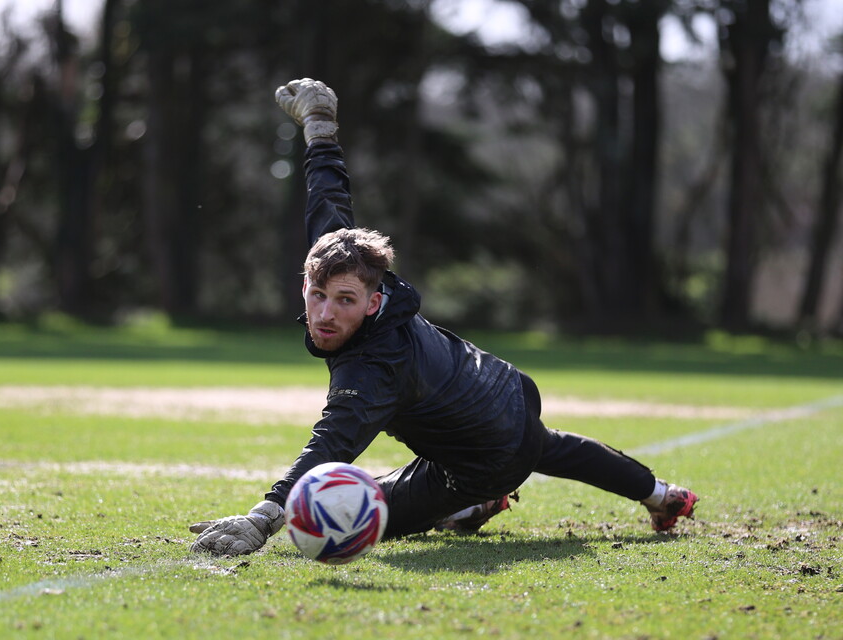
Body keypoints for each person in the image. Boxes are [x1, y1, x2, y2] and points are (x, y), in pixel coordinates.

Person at [188, 78, 698, 557]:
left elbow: (334, 441)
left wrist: (265, 515)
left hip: (480, 460)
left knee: (352, 515)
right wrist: (319, 128)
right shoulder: (353, 267)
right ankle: (661, 494)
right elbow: (330, 202)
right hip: (507, 394)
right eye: (317, 293)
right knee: (544, 446)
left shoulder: (373, 365)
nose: (324, 312)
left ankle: (474, 498)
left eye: (343, 301)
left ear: (370, 303)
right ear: (306, 282)